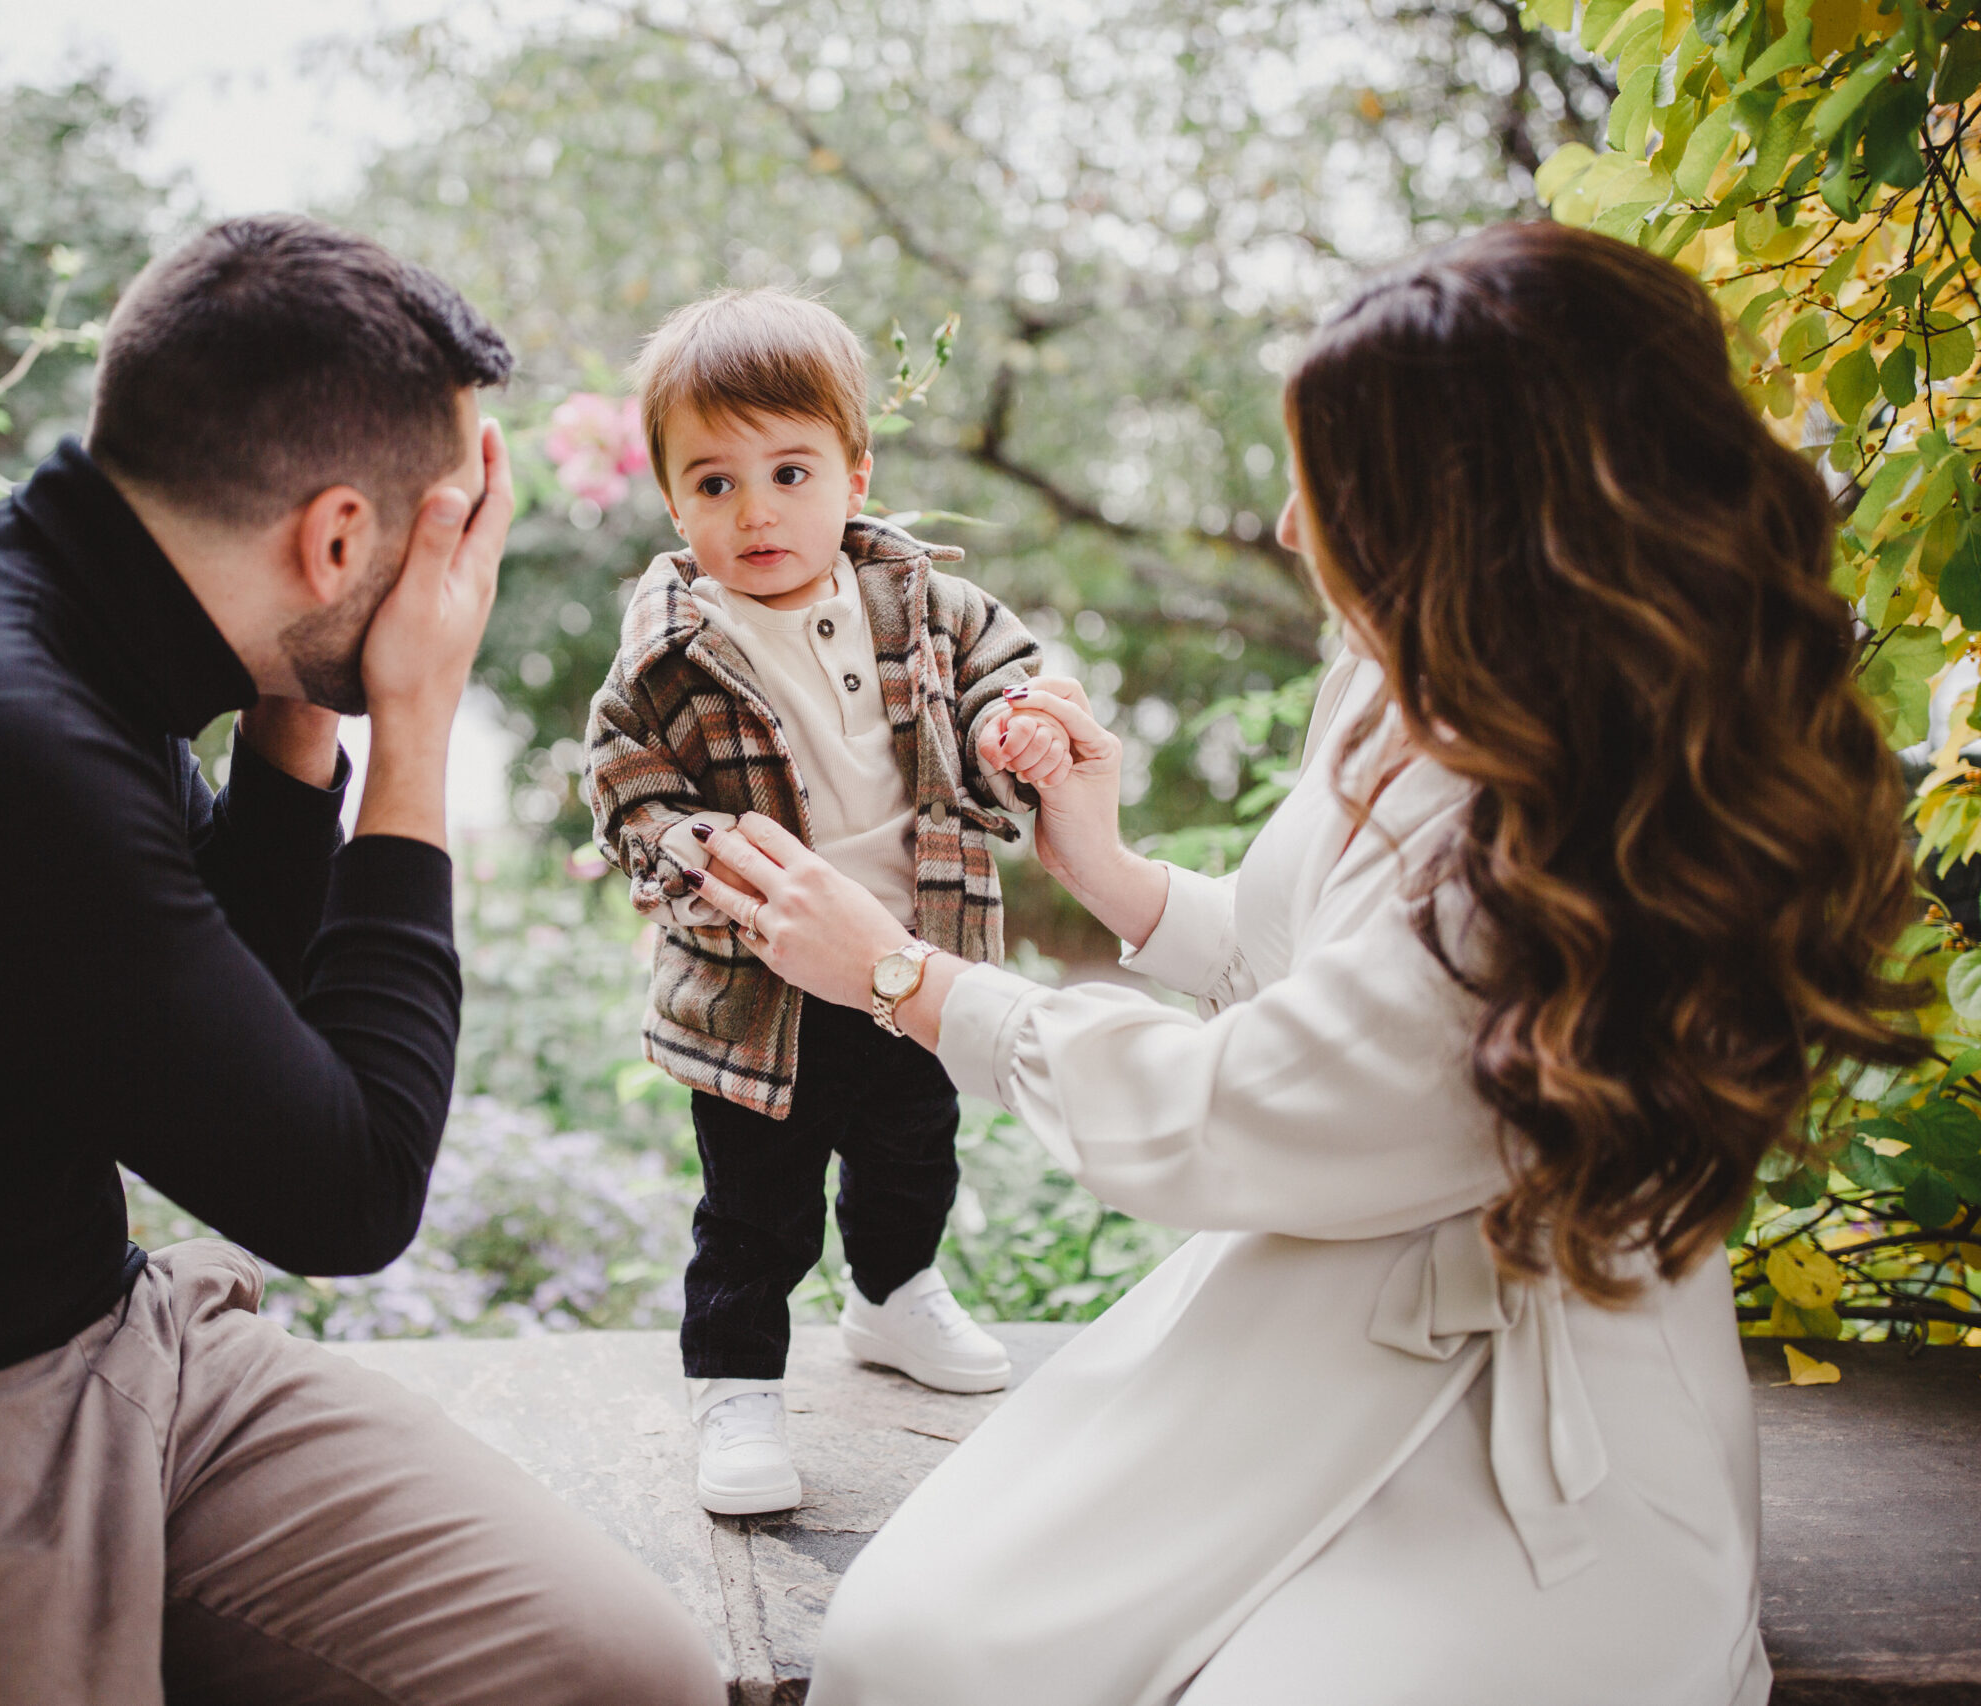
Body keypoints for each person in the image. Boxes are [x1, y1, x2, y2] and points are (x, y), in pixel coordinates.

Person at [676, 221, 1920, 1704]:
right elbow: (1328, 983)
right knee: (917, 1644)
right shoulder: (1400, 667)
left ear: (1480, 517)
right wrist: (1118, 878)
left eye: (1332, 490)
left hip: (1537, 1431)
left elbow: (1236, 1110)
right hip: (1301, 1323)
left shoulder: (1590, 815)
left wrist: (900, 976)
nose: (1284, 526)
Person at [0, 215, 725, 1706]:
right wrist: (414, 720)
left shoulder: (53, 614)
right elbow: (345, 1188)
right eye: (444, 533)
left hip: (104, 1347)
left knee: (624, 1677)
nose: (458, 577)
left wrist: (312, 708)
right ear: (342, 539)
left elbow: (216, 1004)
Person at [583, 288, 1074, 1516]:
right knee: (754, 1203)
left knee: (913, 1152)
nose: (755, 510)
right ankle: (736, 1381)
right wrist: (695, 852)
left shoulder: (923, 603)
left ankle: (892, 1293)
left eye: (788, 470)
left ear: (855, 472)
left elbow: (1002, 670)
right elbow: (624, 791)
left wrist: (1013, 722)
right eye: (713, 483)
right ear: (670, 498)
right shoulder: (668, 652)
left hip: (911, 954)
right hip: (760, 985)